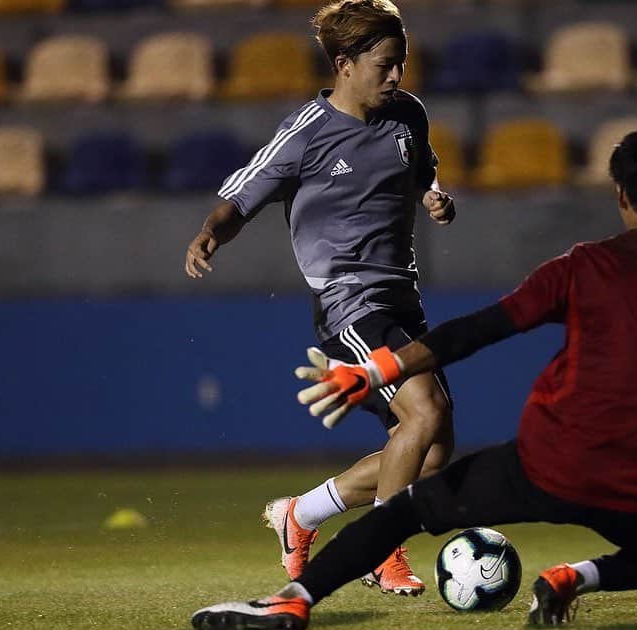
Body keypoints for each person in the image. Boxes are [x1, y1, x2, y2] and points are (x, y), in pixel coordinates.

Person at [191, 123, 637, 630]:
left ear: (620, 196)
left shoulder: (584, 265)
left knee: (406, 508)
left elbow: (479, 330)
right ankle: (575, 577)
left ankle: (295, 599)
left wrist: (379, 370)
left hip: (544, 465)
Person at [183, 0, 457, 595]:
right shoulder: (305, 133)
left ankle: (299, 515)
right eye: (385, 65)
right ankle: (381, 548)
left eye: (402, 64)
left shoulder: (407, 114)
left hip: (402, 300)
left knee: (432, 454)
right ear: (344, 63)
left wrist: (435, 195)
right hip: (349, 305)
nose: (396, 77)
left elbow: (420, 171)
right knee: (426, 413)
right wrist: (210, 232)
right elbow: (241, 197)